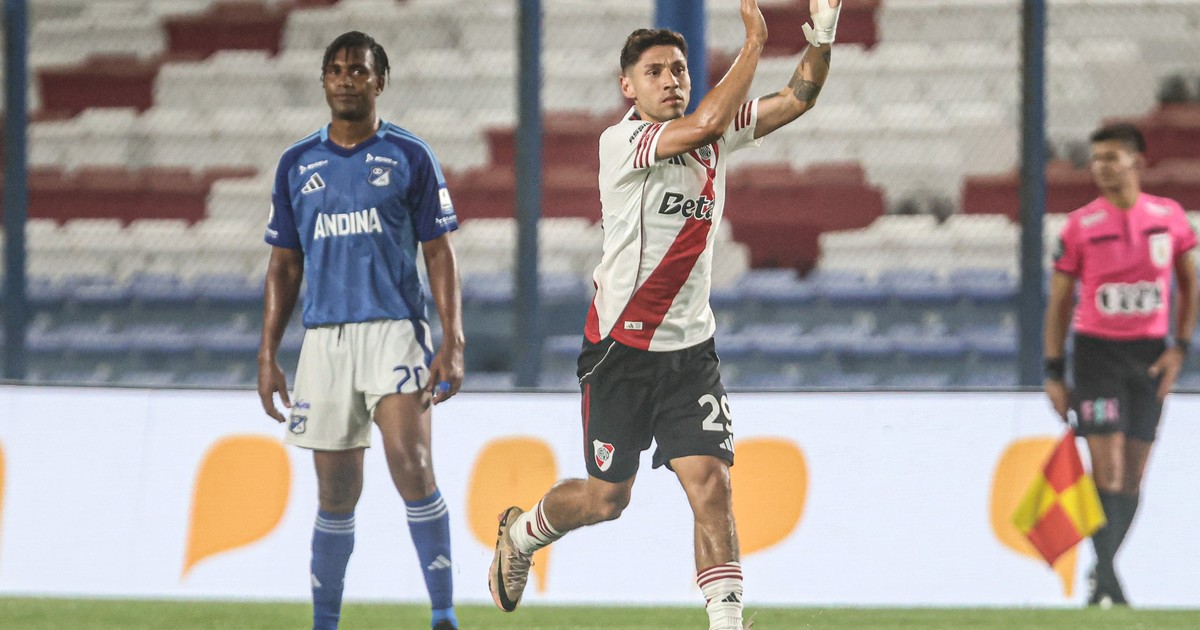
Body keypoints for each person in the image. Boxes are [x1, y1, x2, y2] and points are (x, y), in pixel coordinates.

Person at [488, 1, 839, 628]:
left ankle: (726, 622)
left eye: (678, 68)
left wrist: (823, 36)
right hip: (620, 351)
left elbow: (798, 97)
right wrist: (754, 43)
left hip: (690, 353)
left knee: (712, 485)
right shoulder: (624, 142)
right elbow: (708, 122)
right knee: (606, 499)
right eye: (654, 72)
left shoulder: (712, 135)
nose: (670, 79)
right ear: (628, 87)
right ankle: (520, 535)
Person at [257, 31, 465, 630]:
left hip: (394, 330)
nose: (346, 79)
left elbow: (439, 252)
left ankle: (443, 613)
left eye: (358, 70)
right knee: (335, 494)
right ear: (324, 81)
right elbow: (283, 265)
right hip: (324, 340)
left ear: (380, 81)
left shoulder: (409, 155)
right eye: (336, 70)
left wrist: (452, 339)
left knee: (412, 462)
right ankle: (325, 622)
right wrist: (268, 354)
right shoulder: (297, 163)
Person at [1044, 122, 1198, 608]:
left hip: (1150, 357)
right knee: (1106, 469)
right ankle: (1109, 579)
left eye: (1111, 157)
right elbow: (1059, 302)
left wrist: (1180, 348)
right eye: (1096, 159)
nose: (1101, 167)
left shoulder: (1170, 219)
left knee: (1133, 475)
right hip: (1098, 356)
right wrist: (1053, 371)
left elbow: (1189, 284)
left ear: (1137, 161)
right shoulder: (1080, 226)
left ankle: (1102, 571)